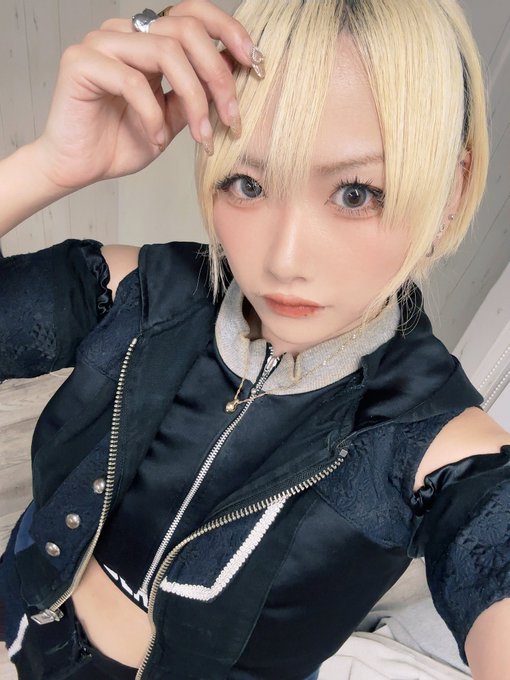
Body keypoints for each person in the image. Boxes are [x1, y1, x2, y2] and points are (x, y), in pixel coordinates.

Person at [0, 0, 509, 678]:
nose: (283, 259)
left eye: (357, 193)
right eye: (248, 183)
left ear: (452, 190)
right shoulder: (140, 293)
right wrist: (47, 166)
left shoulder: (439, 448)